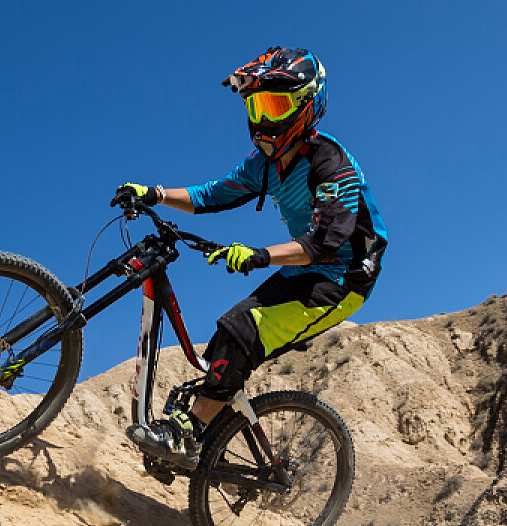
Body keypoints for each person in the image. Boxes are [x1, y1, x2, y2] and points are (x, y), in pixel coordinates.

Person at [112, 47, 388, 465]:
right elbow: (213, 195)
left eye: (274, 105)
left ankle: (190, 434)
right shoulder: (263, 165)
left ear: (306, 106)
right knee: (228, 330)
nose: (262, 119)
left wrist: (258, 255)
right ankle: (205, 425)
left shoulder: (332, 166)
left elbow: (324, 244)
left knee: (245, 328)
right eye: (257, 104)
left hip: (343, 279)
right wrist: (155, 193)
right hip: (308, 269)